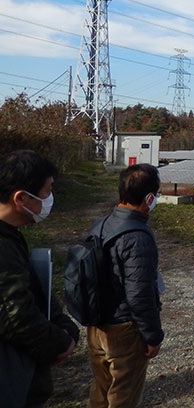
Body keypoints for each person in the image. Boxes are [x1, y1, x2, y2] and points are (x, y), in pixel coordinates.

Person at [0, 149, 79, 408]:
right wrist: (59, 343)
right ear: (21, 198)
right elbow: (16, 314)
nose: (49, 199)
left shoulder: (11, 236)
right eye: (47, 192)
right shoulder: (2, 245)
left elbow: (29, 290)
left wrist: (62, 326)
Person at [86, 163, 164, 408]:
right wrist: (152, 336)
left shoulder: (100, 224)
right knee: (124, 396)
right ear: (149, 198)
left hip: (96, 323)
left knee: (101, 389)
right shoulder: (137, 237)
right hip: (123, 330)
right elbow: (139, 294)